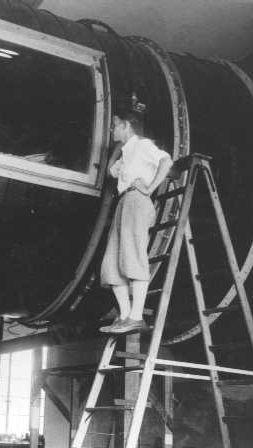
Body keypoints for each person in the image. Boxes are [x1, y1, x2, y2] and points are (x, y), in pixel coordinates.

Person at [100, 100, 173, 335]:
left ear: (126, 125)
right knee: (112, 263)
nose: (112, 129)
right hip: (124, 202)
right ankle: (124, 316)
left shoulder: (143, 145)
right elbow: (110, 171)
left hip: (137, 201)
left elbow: (166, 161)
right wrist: (119, 146)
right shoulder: (127, 153)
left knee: (132, 256)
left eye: (115, 125)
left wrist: (150, 189)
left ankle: (136, 317)